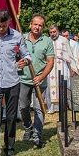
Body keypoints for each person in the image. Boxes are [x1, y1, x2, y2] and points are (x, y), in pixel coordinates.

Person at [0, 9, 31, 156]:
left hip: (13, 81)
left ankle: (10, 148)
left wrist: (25, 61)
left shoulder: (17, 36)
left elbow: (27, 55)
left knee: (11, 118)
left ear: (9, 22)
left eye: (4, 26)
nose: (1, 29)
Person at [19, 14, 54, 148]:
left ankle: (37, 136)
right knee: (23, 106)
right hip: (24, 79)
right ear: (30, 25)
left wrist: (41, 77)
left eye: (40, 25)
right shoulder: (22, 39)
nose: (37, 27)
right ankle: (28, 127)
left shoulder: (47, 41)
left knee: (39, 109)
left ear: (43, 27)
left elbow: (50, 62)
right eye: (35, 24)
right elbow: (15, 55)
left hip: (40, 81)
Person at [47, 25, 78, 114]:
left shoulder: (64, 40)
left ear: (57, 31)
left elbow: (69, 54)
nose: (53, 34)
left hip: (62, 65)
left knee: (63, 85)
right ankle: (52, 107)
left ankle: (63, 106)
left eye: (54, 32)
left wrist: (73, 67)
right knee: (51, 86)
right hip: (51, 65)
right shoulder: (47, 41)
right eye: (51, 32)